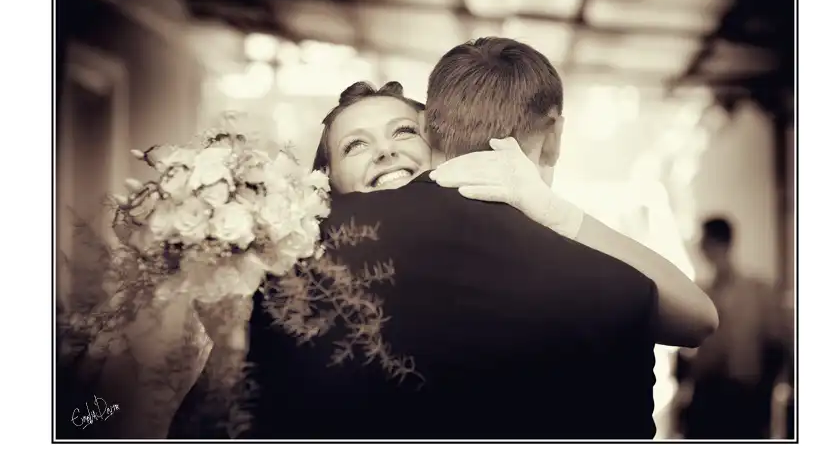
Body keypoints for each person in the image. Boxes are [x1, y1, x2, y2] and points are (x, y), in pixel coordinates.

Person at [245, 37, 717, 440]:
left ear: (433, 136)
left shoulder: (287, 262)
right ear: (323, 179)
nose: (386, 152)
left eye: (403, 131)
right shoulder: (288, 245)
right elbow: (693, 320)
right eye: (356, 145)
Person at [672, 217, 791, 439]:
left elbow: (777, 347)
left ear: (717, 243)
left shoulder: (758, 293)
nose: (701, 249)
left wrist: (766, 399)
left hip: (745, 399)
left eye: (704, 243)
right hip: (706, 398)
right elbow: (687, 351)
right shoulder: (701, 293)